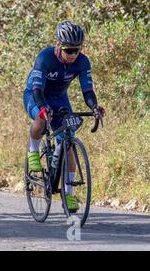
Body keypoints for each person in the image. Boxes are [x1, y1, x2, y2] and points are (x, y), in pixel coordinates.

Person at [23, 21, 105, 212]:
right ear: (58, 46)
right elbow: (37, 89)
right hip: (36, 95)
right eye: (69, 50)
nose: (73, 55)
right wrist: (43, 108)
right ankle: (33, 150)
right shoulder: (45, 58)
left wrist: (94, 107)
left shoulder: (82, 62)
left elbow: (87, 90)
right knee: (41, 120)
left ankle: (68, 194)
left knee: (69, 142)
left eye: (77, 50)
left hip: (60, 99)